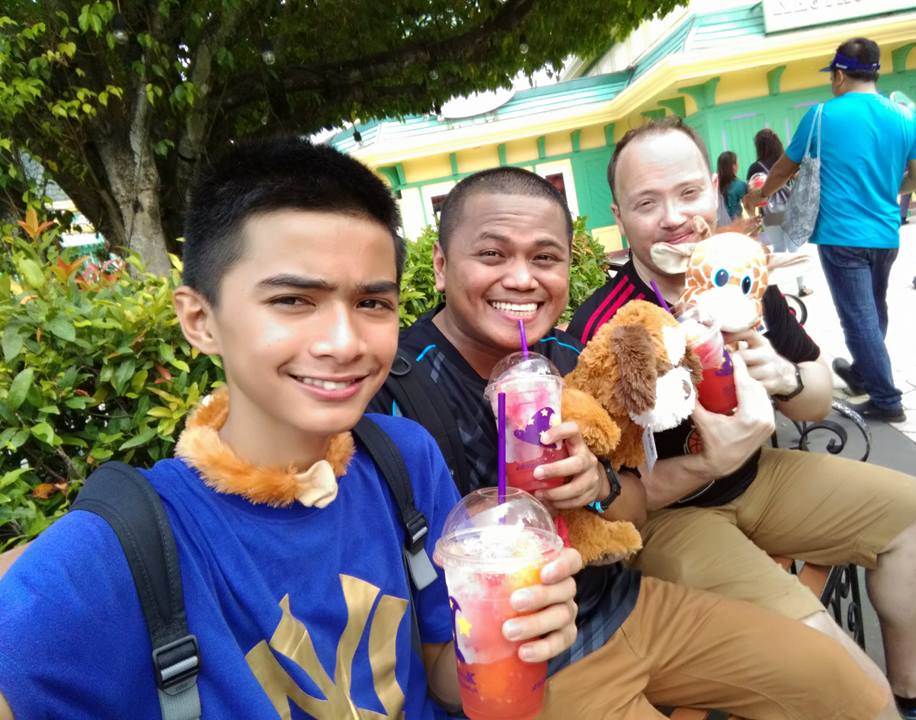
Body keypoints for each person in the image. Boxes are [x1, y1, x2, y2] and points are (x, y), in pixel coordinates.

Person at [0, 138, 584, 719]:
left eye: (372, 304)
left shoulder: (404, 463)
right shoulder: (114, 553)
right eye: (293, 300)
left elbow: (441, 675)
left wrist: (508, 643)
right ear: (200, 320)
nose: (344, 342)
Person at [371, 166, 890, 719]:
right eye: (493, 255)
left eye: (545, 258)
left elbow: (635, 506)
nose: (522, 279)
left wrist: (596, 483)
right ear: (442, 266)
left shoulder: (573, 362)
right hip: (529, 665)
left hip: (630, 605)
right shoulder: (392, 394)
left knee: (849, 690)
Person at [569, 117, 916, 720]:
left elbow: (818, 398)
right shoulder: (604, 329)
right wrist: (705, 461)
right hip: (671, 517)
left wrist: (785, 374)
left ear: (715, 194)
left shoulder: (739, 278)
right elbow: (604, 496)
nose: (674, 217)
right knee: (831, 664)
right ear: (620, 218)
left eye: (689, 193)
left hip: (762, 475)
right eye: (648, 203)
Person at [745, 37, 916, 422]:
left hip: (841, 234)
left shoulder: (820, 116)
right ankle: (864, 372)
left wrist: (754, 200)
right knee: (874, 308)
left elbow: (782, 170)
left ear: (841, 74)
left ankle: (886, 399)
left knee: (859, 316)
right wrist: (886, 189)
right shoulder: (906, 118)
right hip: (885, 232)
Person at [747, 128, 812, 296]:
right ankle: (802, 286)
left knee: (778, 248)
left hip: (770, 213)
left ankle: (778, 292)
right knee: (794, 247)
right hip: (790, 209)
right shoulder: (783, 162)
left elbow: (753, 193)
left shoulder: (755, 167)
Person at [717, 150, 748, 221]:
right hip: (735, 222)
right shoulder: (740, 185)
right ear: (734, 166)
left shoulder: (715, 184)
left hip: (719, 223)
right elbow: (749, 206)